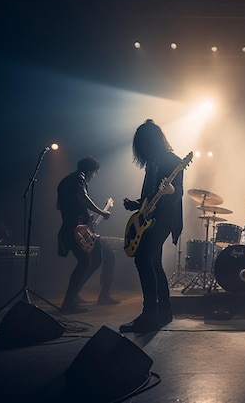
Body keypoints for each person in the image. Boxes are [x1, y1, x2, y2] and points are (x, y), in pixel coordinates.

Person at [119, 119, 184, 333]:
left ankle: (149, 315)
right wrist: (136, 204)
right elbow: (149, 196)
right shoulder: (152, 163)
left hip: (165, 218)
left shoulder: (173, 160)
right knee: (154, 263)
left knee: (143, 258)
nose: (143, 149)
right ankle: (164, 312)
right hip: (149, 217)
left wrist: (170, 191)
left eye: (145, 144)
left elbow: (178, 192)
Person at [56, 156, 115, 313]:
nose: (94, 176)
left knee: (94, 260)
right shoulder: (78, 179)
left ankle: (73, 296)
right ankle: (68, 302)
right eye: (95, 173)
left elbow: (58, 206)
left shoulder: (65, 181)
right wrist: (101, 211)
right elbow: (83, 197)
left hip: (72, 226)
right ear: (90, 171)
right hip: (77, 229)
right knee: (86, 262)